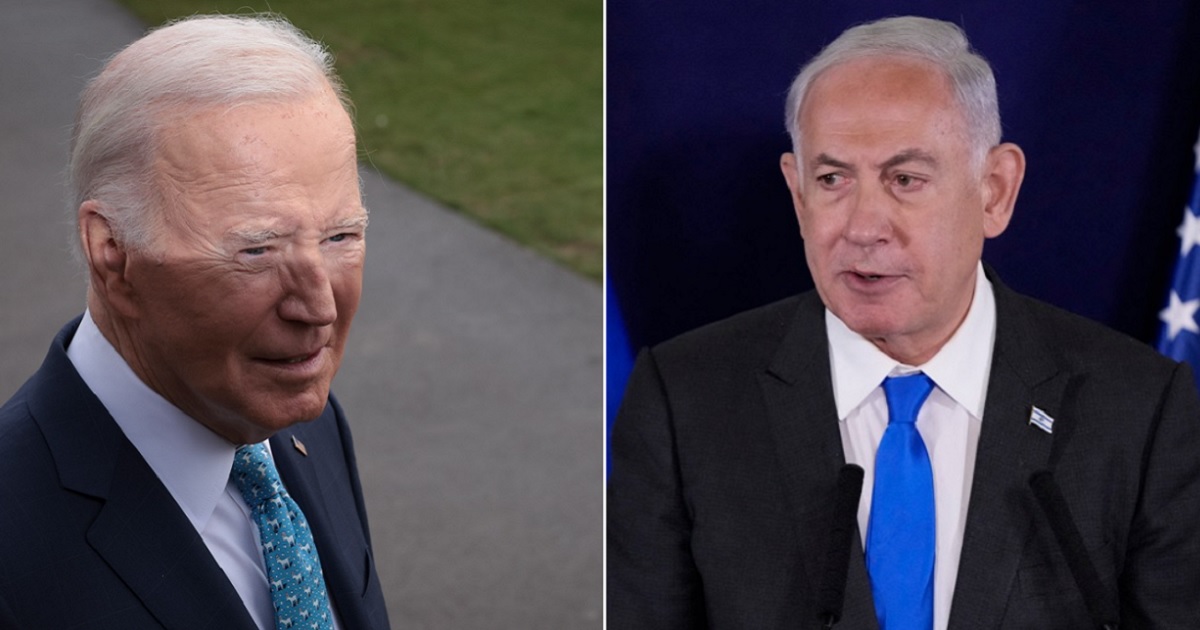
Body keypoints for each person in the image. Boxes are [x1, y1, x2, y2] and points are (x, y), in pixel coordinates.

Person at [607, 15, 1200, 629]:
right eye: (832, 179)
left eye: (905, 179)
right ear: (797, 194)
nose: (863, 227)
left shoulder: (1139, 409)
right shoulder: (685, 400)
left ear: (995, 190)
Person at [0, 15, 391, 629]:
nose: (320, 308)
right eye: (256, 250)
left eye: (341, 235)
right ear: (114, 252)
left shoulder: (311, 426)